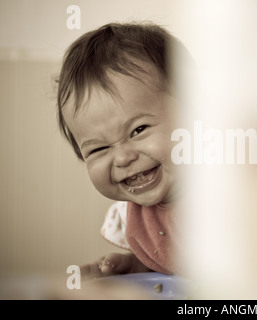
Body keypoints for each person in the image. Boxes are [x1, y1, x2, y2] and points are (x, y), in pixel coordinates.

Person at [56, 22, 191, 281]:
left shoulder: (231, 192)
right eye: (99, 148)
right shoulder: (128, 214)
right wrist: (139, 266)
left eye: (138, 130)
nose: (122, 157)